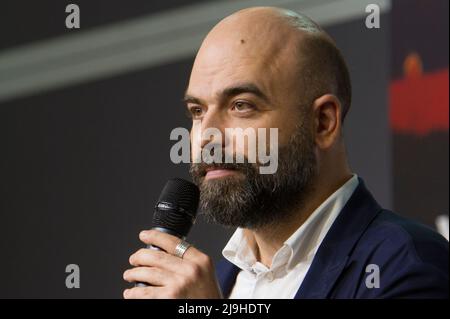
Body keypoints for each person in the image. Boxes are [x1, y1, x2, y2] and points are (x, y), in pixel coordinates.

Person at [122, 7, 449, 299]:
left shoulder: (409, 267)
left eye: (241, 106)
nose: (207, 137)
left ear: (323, 122)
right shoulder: (225, 280)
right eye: (196, 111)